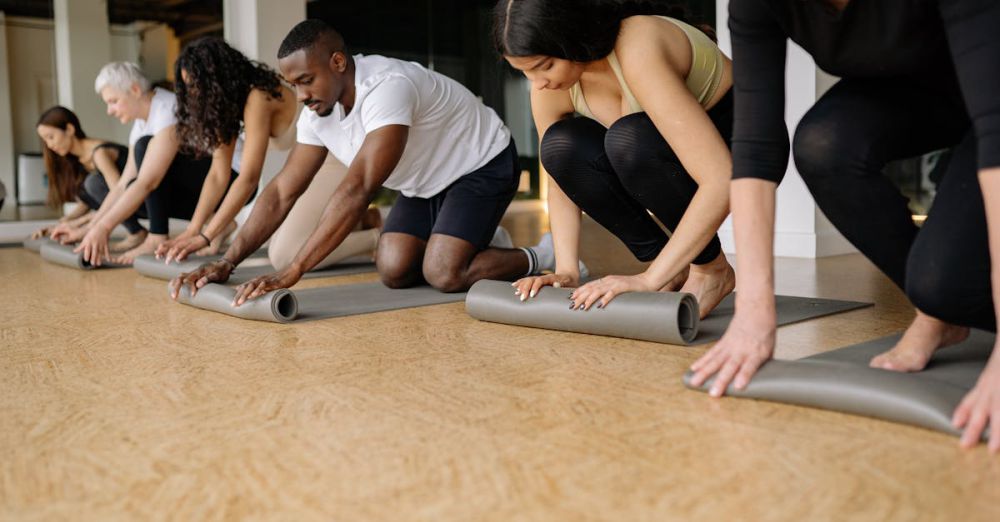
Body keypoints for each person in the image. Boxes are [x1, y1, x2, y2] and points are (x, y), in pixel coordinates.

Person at [687, 0, 1000, 450]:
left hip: (993, 92)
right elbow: (755, 147)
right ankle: (939, 316)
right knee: (824, 144)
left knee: (944, 286)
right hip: (924, 92)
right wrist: (755, 312)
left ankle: (941, 308)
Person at [171, 20, 558, 304]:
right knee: (392, 269)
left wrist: (294, 270)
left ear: (338, 62)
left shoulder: (386, 88)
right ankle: (474, 239)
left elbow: (357, 190)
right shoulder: (317, 113)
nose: (301, 95)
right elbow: (281, 191)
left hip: (481, 162)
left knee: (444, 273)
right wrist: (228, 261)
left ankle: (540, 254)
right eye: (294, 86)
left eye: (307, 79)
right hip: (425, 183)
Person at [497, 0, 735, 318]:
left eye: (544, 66)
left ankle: (711, 271)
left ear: (573, 37)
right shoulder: (550, 87)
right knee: (559, 146)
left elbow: (720, 178)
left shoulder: (638, 45)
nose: (537, 83)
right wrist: (566, 269)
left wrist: (649, 280)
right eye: (524, 72)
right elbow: (561, 177)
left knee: (629, 140)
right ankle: (671, 265)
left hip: (739, 140)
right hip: (666, 152)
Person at [156, 36, 382, 269]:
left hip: (337, 158)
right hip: (311, 163)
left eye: (196, 85)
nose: (193, 94)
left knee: (284, 254)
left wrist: (206, 236)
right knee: (274, 239)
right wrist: (192, 231)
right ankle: (362, 221)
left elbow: (248, 178)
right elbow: (217, 174)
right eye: (188, 87)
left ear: (217, 79)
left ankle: (377, 238)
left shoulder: (258, 97)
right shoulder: (228, 108)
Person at [52, 62, 243, 265]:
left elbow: (147, 182)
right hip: (206, 179)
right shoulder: (141, 123)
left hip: (231, 177)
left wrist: (104, 228)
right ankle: (219, 223)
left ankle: (157, 236)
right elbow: (121, 186)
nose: (110, 110)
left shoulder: (167, 108)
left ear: (135, 90)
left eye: (113, 101)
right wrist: (90, 230)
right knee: (131, 186)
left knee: (145, 151)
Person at [31, 106, 145, 250]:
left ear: (70, 129)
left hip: (143, 199)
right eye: (45, 140)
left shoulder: (99, 153)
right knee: (88, 185)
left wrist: (81, 225)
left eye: (51, 137)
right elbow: (87, 202)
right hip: (127, 202)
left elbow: (118, 194)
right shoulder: (77, 160)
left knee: (93, 183)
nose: (49, 145)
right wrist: (61, 224)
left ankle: (137, 232)